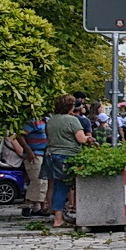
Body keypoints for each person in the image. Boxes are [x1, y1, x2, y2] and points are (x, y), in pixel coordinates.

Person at [43, 94, 95, 229]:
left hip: (50, 155)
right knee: (62, 187)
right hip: (66, 156)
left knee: (55, 186)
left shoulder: (51, 120)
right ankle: (58, 219)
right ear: (70, 106)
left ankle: (56, 214)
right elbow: (81, 139)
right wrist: (90, 140)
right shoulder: (72, 120)